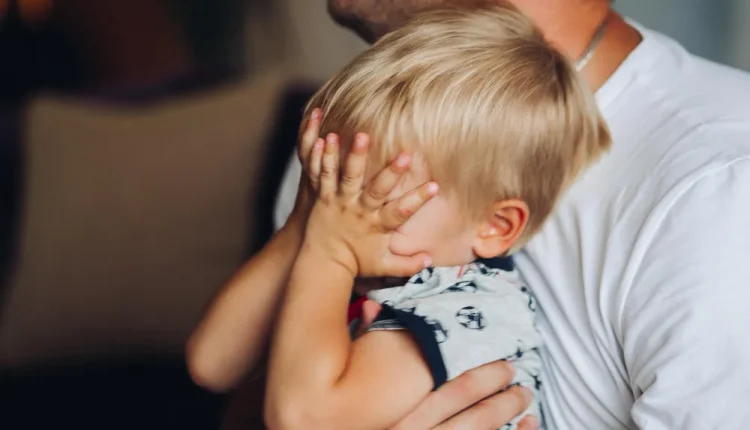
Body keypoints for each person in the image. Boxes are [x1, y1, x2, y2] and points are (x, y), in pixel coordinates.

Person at [191, 0, 750, 428]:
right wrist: (310, 232)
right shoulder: (359, 141)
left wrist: (330, 249)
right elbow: (228, 377)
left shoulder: (717, 192)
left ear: (498, 225)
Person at [263, 5, 609, 430]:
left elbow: (302, 420)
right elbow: (211, 363)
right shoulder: (355, 251)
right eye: (337, 186)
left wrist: (328, 250)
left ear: (495, 227)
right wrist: (306, 219)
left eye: (383, 196)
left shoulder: (464, 307)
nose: (342, 213)